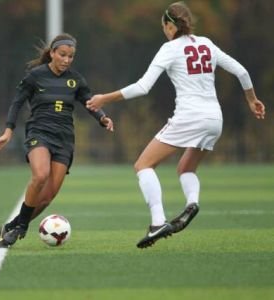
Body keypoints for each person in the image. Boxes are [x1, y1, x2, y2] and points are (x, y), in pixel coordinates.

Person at [86, 1, 265, 249]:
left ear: (170, 25)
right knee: (186, 168)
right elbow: (242, 72)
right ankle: (192, 203)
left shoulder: (170, 49)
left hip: (189, 117)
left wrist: (104, 98)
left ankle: (158, 222)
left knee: (143, 165)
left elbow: (142, 87)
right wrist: (252, 100)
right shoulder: (206, 43)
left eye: (164, 26)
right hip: (214, 119)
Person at [0, 33, 114, 248]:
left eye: (71, 56)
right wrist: (8, 132)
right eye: (62, 55)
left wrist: (102, 117)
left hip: (64, 138)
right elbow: (16, 103)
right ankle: (21, 229)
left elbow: (89, 102)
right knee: (40, 175)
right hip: (39, 132)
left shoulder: (76, 79)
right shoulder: (35, 76)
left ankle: (13, 225)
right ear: (52, 53)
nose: (66, 60)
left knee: (47, 197)